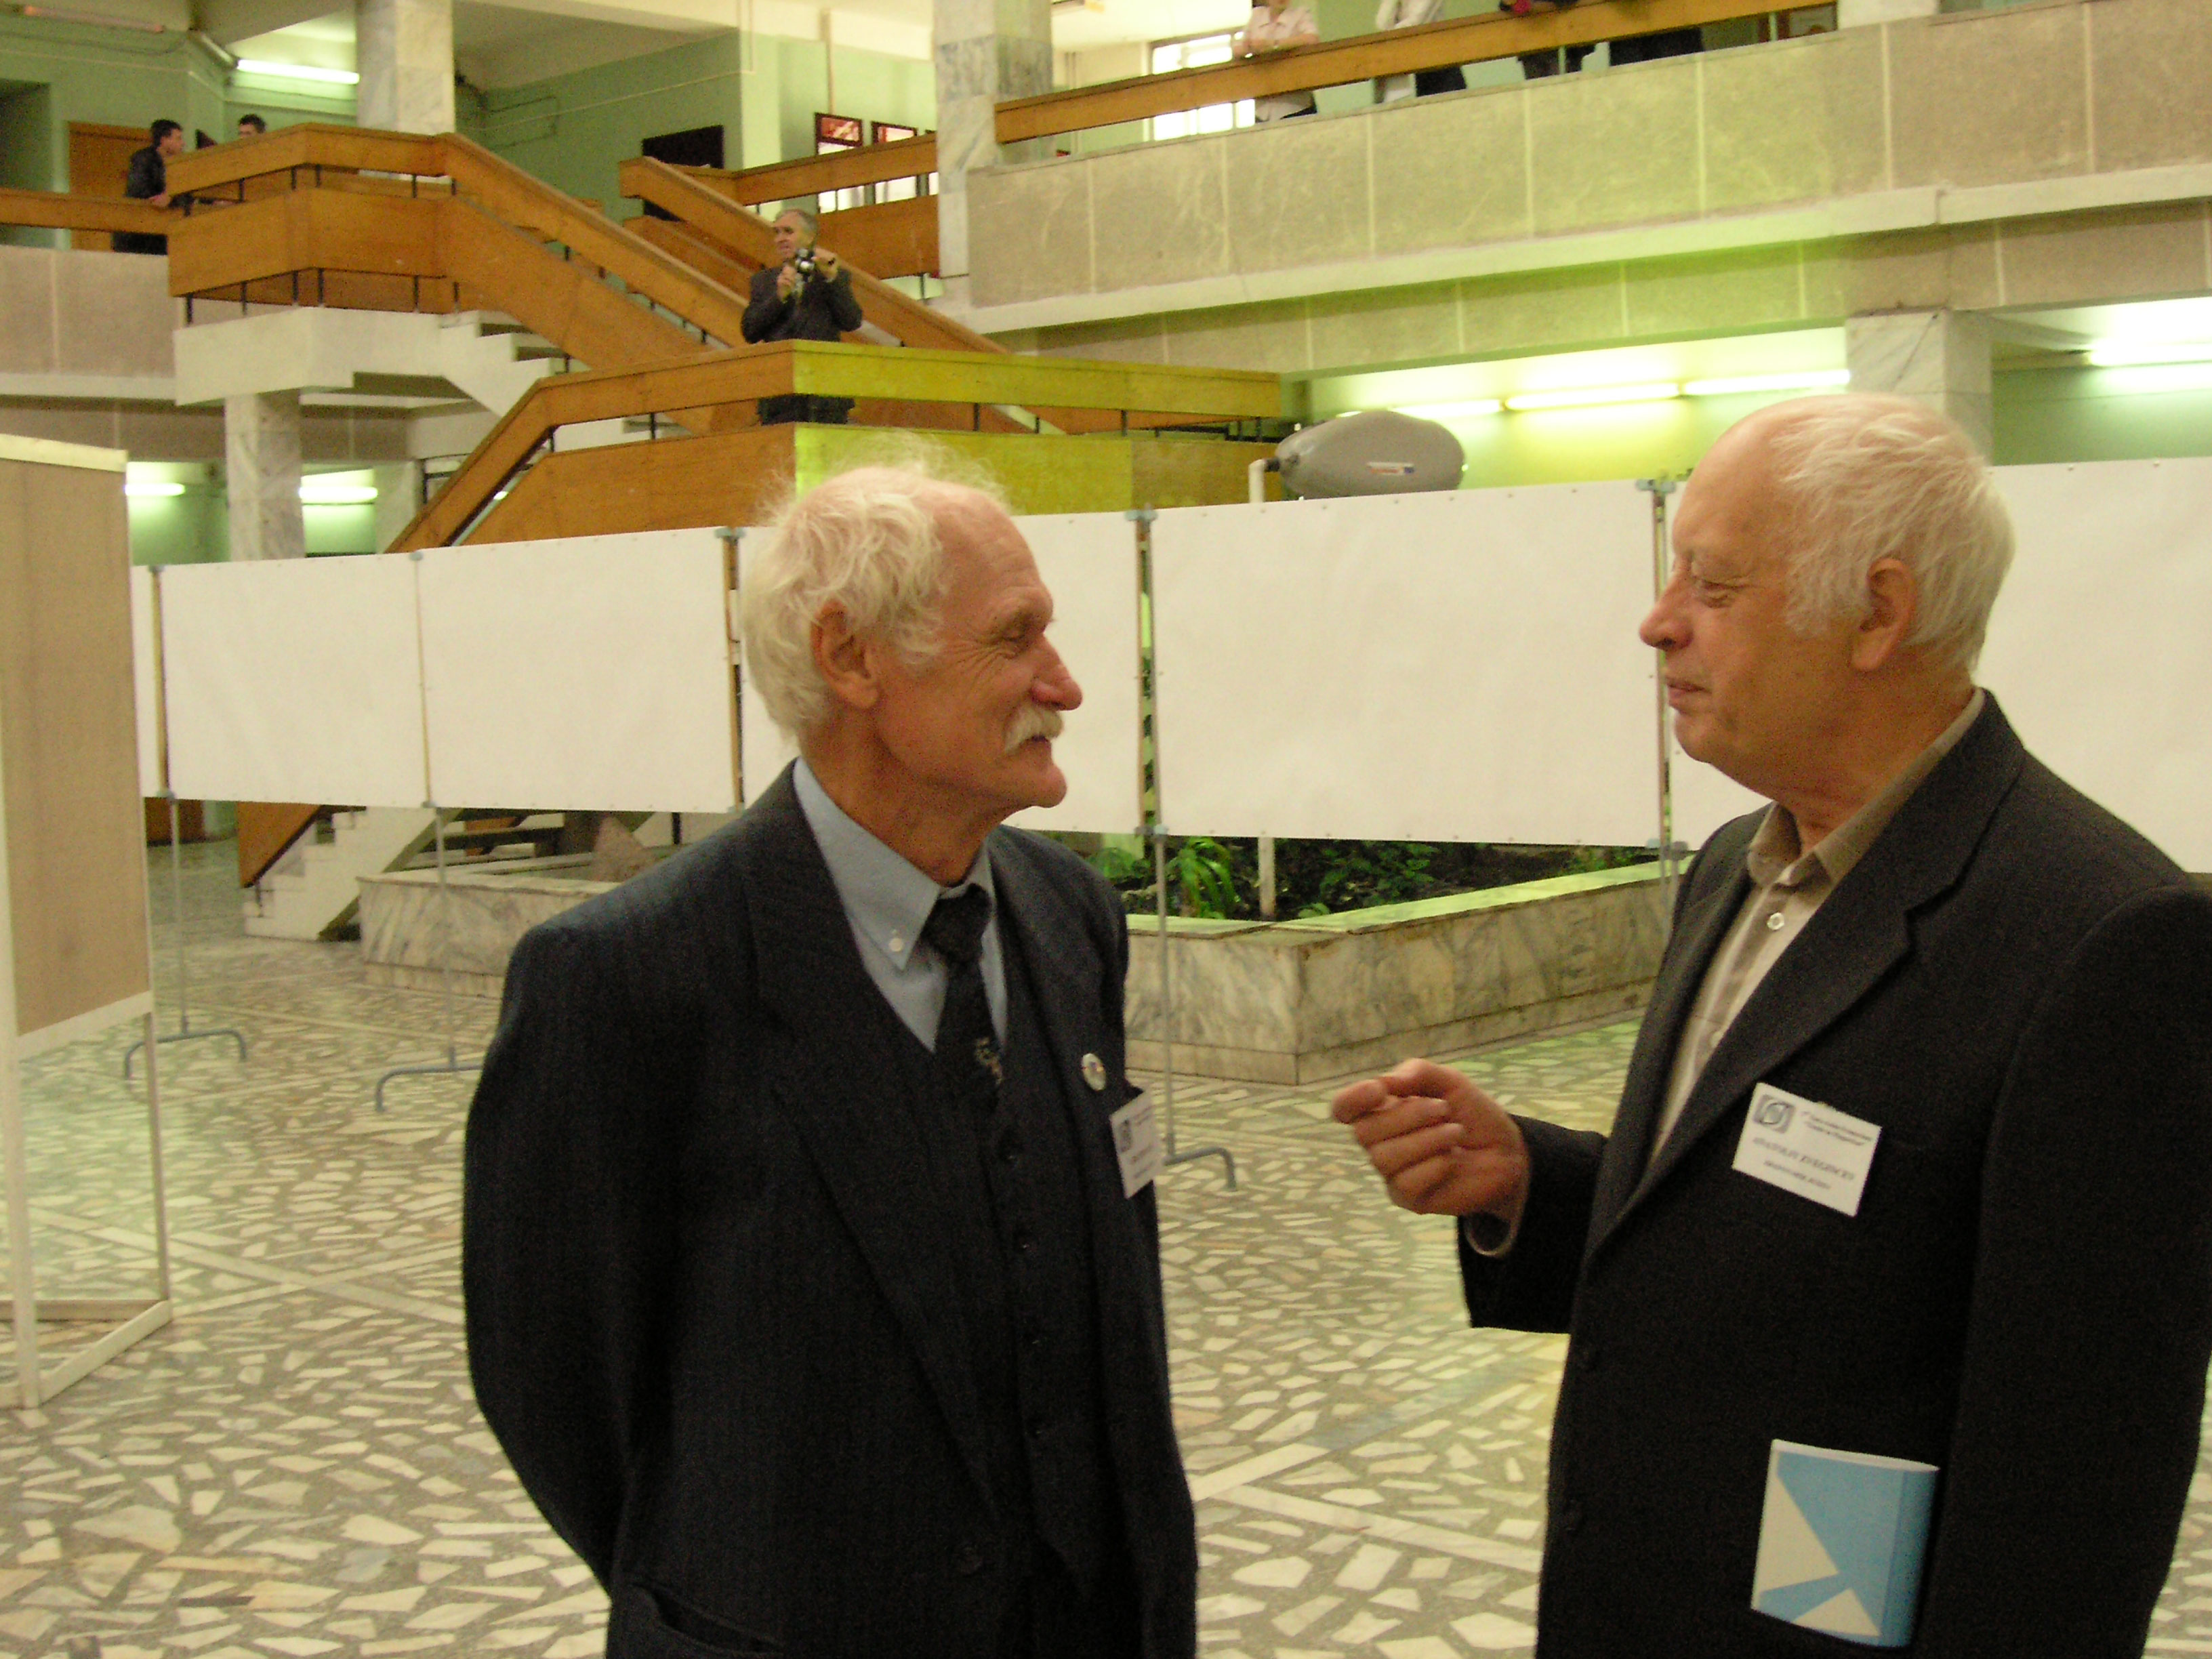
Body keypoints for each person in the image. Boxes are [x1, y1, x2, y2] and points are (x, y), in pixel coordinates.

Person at [1334, 394, 2212, 1658]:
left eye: (1713, 584)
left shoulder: (2100, 938)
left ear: (1877, 613)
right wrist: (1531, 1181)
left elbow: (2073, 1486)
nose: (1657, 621)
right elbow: (1765, 1230)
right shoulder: (1732, 873)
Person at [464, 462, 1200, 1659]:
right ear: (851, 659)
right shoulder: (629, 979)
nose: (1063, 685)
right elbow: (552, 1382)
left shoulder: (1072, 917)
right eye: (1013, 638)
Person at [741, 205, 863, 426]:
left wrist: (832, 280)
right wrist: (779, 298)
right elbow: (750, 331)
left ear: (810, 237)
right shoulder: (764, 281)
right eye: (777, 232)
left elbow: (851, 321)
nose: (780, 239)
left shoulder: (833, 277)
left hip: (826, 395)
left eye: (788, 232)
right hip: (781, 394)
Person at [1233, 0, 1320, 121]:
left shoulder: (1300, 14)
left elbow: (1312, 39)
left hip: (1295, 104)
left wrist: (1274, 44)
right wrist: (1251, 47)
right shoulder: (1257, 15)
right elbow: (1237, 49)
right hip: (1263, 107)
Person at [112, 119, 184, 255]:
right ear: (164, 140)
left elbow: (187, 192)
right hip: (137, 234)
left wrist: (170, 198)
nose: (183, 143)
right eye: (178, 138)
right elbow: (139, 190)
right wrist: (164, 198)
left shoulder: (179, 164)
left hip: (163, 235)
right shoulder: (143, 159)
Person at [1374, 0, 1465, 102]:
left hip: (1438, 62)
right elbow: (1382, 24)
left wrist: (1392, 32)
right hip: (1410, 62)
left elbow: (1416, 24)